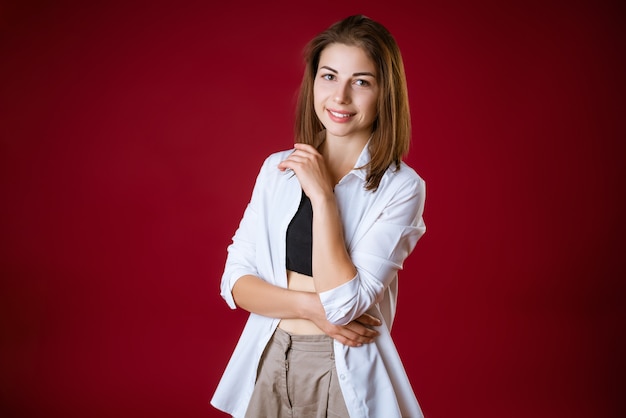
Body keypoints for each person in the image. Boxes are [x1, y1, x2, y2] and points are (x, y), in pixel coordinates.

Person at [210, 14, 426, 418]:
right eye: (329, 76)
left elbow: (345, 306)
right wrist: (310, 308)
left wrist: (324, 197)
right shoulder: (278, 169)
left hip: (343, 365)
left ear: (385, 93)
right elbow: (235, 283)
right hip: (270, 355)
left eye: (361, 81)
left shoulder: (402, 187)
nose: (340, 97)